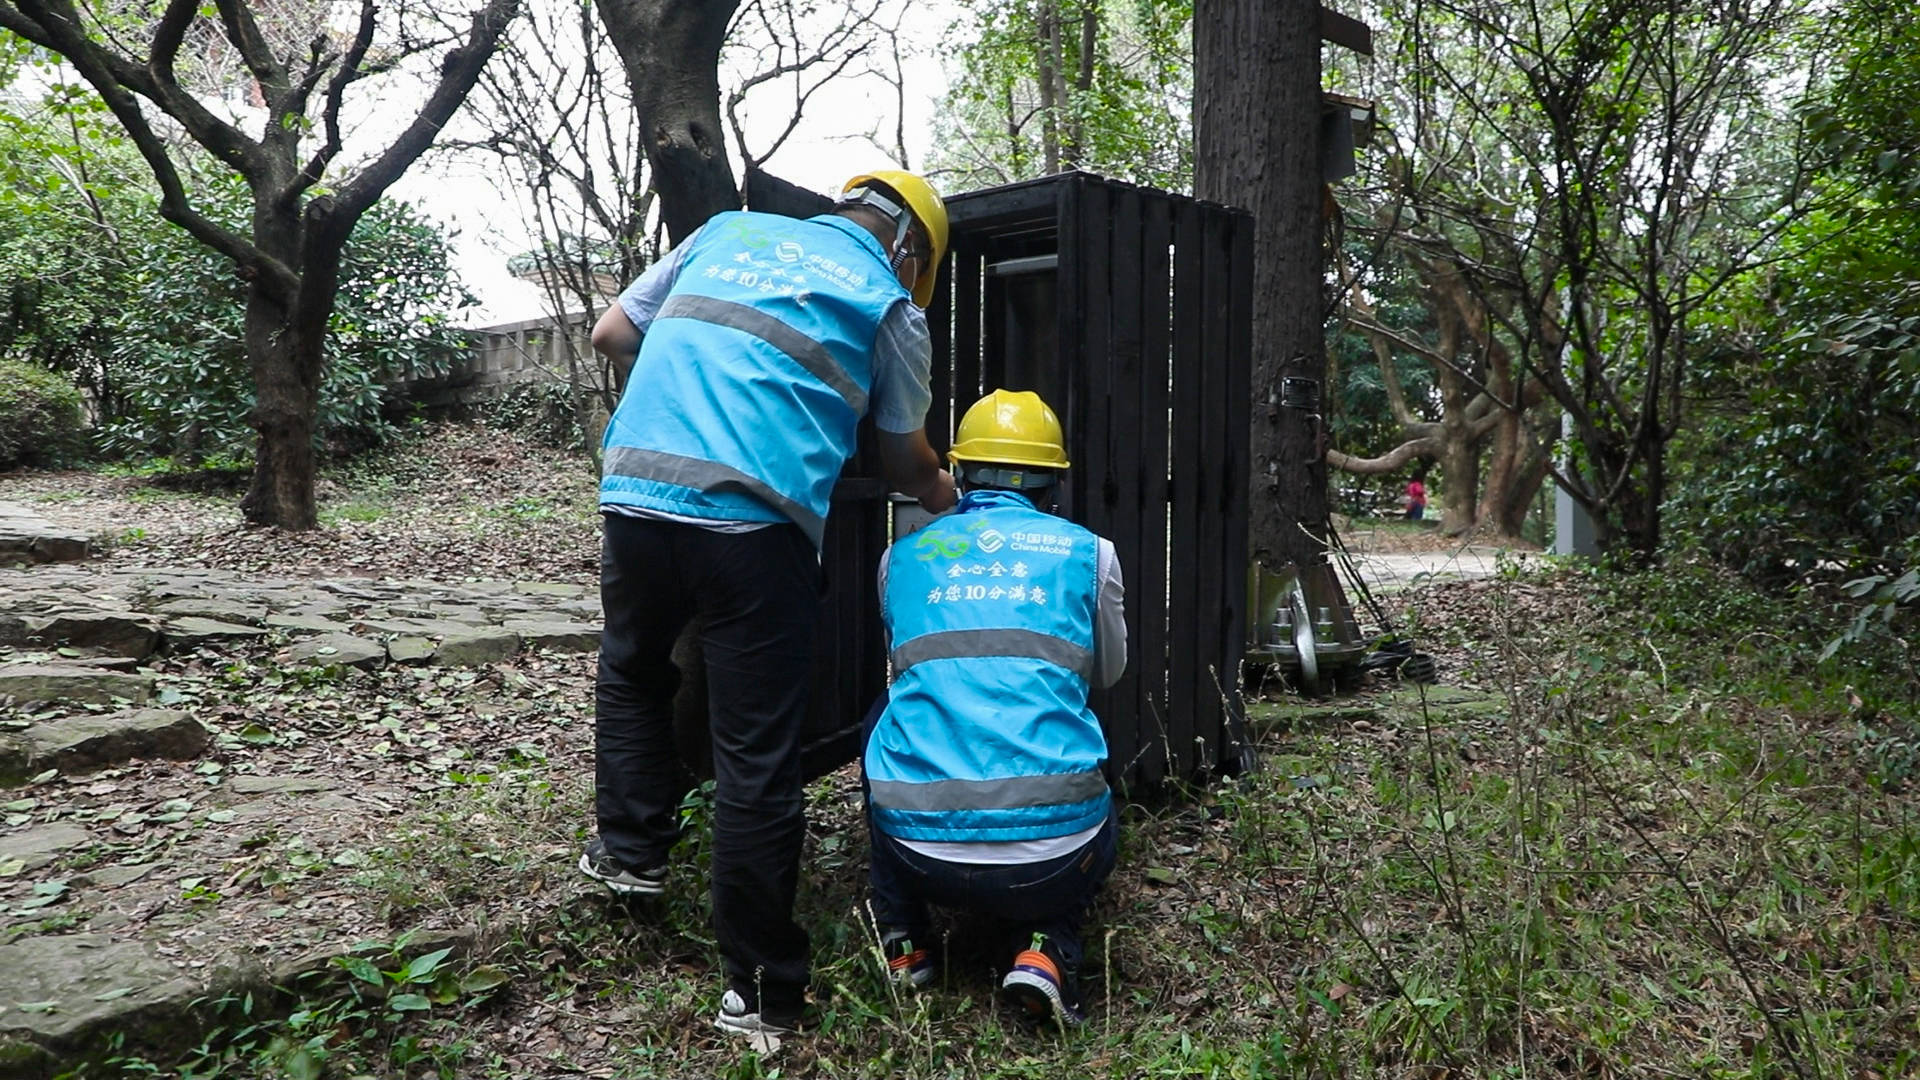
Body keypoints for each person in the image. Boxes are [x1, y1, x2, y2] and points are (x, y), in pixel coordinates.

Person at [581, 171, 958, 1038]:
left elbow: (610, 332)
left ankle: (632, 856)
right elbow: (904, 463)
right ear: (908, 248)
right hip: (755, 527)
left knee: (634, 670)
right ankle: (760, 992)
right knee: (755, 752)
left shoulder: (722, 232)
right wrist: (952, 495)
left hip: (636, 494)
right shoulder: (889, 304)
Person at [863, 389, 1126, 1029]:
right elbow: (1110, 674)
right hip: (1055, 858)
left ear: (961, 471)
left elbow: (908, 669)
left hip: (915, 851)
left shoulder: (901, 557)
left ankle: (905, 940)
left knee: (884, 720)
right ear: (1053, 481)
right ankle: (1045, 951)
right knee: (1098, 795)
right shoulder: (1091, 553)